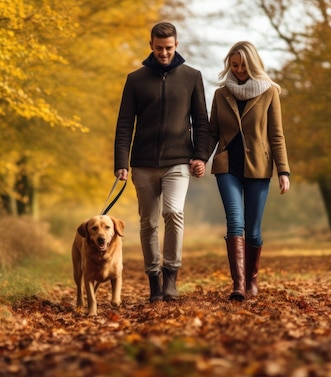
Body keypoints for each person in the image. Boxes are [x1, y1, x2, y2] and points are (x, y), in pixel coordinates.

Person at [114, 22, 210, 303]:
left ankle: (171, 276)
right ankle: (154, 279)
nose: (164, 53)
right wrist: (121, 161)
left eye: (168, 48)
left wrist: (200, 156)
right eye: (159, 48)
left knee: (173, 212)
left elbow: (201, 122)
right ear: (151, 45)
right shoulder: (136, 80)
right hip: (143, 163)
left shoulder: (192, 77)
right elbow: (124, 125)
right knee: (148, 222)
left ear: (176, 45)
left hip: (178, 161)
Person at [207, 41, 291, 301]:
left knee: (253, 230)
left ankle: (252, 279)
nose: (239, 70)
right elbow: (212, 132)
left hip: (258, 167)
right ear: (228, 65)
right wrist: (199, 158)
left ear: (253, 64)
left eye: (244, 65)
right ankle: (238, 285)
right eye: (234, 65)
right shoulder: (221, 94)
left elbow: (276, 135)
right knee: (235, 221)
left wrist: (283, 171)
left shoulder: (269, 92)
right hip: (227, 166)